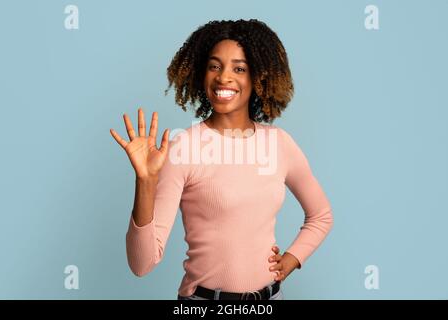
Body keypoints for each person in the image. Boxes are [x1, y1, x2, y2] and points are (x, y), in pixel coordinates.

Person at [110, 19, 333, 300]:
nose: (224, 77)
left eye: (239, 68)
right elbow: (142, 264)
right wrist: (145, 181)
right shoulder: (184, 148)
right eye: (215, 66)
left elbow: (321, 216)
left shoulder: (279, 143)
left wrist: (291, 260)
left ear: (258, 78)